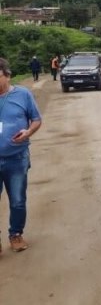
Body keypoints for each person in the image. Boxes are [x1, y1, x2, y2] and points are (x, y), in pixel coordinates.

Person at [0, 58, 42, 253]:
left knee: (17, 200)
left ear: (7, 75)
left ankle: (15, 234)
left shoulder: (23, 94)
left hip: (17, 158)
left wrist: (28, 132)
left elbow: (36, 120)